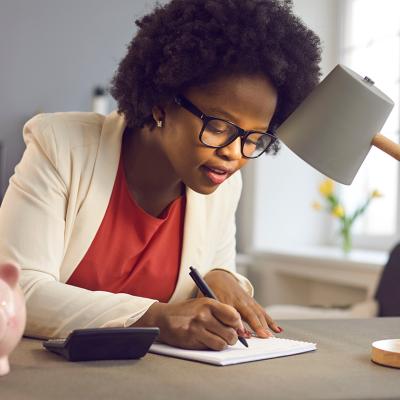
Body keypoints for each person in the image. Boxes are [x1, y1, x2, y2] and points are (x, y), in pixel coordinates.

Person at [0, 0, 321, 350]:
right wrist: (154, 317)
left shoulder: (223, 183)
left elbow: (213, 270)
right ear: (161, 102)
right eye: (219, 126)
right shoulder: (61, 145)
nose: (233, 152)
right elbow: (18, 291)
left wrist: (220, 278)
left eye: (253, 138)